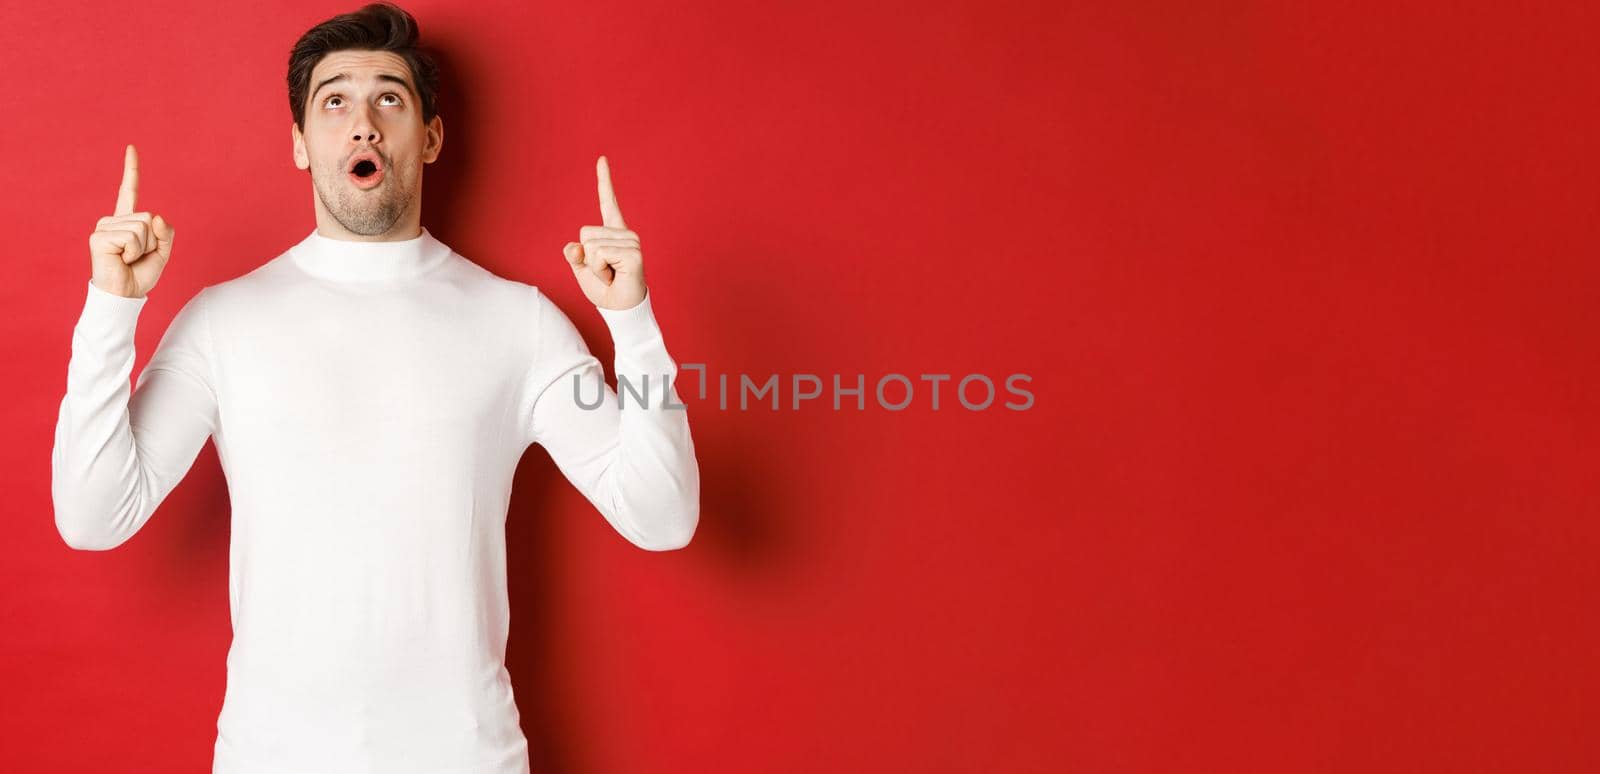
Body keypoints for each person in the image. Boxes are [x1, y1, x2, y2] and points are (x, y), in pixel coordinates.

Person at [49, 3, 700, 772]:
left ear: (429, 138)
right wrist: (110, 309)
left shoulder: (517, 322)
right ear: (300, 144)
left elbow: (664, 518)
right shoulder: (223, 322)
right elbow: (93, 517)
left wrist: (635, 325)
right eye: (334, 102)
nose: (363, 123)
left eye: (389, 97)